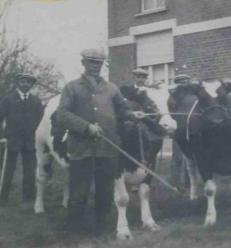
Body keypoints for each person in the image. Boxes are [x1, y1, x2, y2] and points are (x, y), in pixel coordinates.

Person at [57, 49, 142, 236]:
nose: (95, 66)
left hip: (108, 148)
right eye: (91, 62)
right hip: (82, 149)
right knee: (79, 194)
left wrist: (132, 114)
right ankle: (75, 233)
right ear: (83, 63)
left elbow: (122, 110)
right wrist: (86, 127)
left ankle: (100, 230)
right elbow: (62, 115)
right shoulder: (72, 87)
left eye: (99, 63)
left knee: (104, 193)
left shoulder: (112, 88)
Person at [0, 73, 43, 206]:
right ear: (18, 83)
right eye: (23, 81)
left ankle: (28, 198)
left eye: (28, 82)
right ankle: (3, 197)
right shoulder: (8, 99)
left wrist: (38, 138)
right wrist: (2, 137)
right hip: (11, 140)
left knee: (30, 170)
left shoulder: (36, 101)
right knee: (8, 169)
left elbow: (40, 121)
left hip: (30, 141)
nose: (25, 84)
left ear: (31, 85)